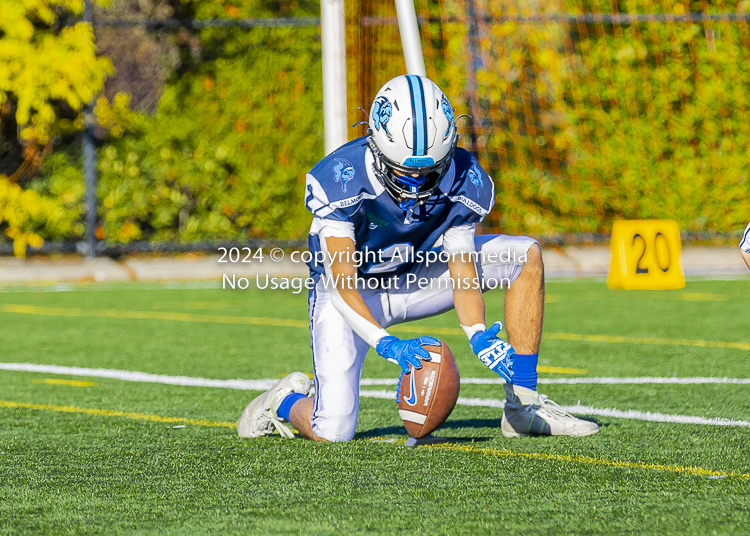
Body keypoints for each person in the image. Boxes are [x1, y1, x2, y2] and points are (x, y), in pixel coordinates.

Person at [238, 75, 598, 442]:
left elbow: (462, 268)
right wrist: (386, 343)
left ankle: (523, 403)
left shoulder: (463, 176)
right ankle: (282, 400)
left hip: (416, 279)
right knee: (332, 430)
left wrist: (477, 333)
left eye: (429, 172)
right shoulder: (341, 178)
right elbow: (341, 282)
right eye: (404, 172)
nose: (417, 185)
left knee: (523, 254)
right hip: (352, 293)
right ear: (375, 146)